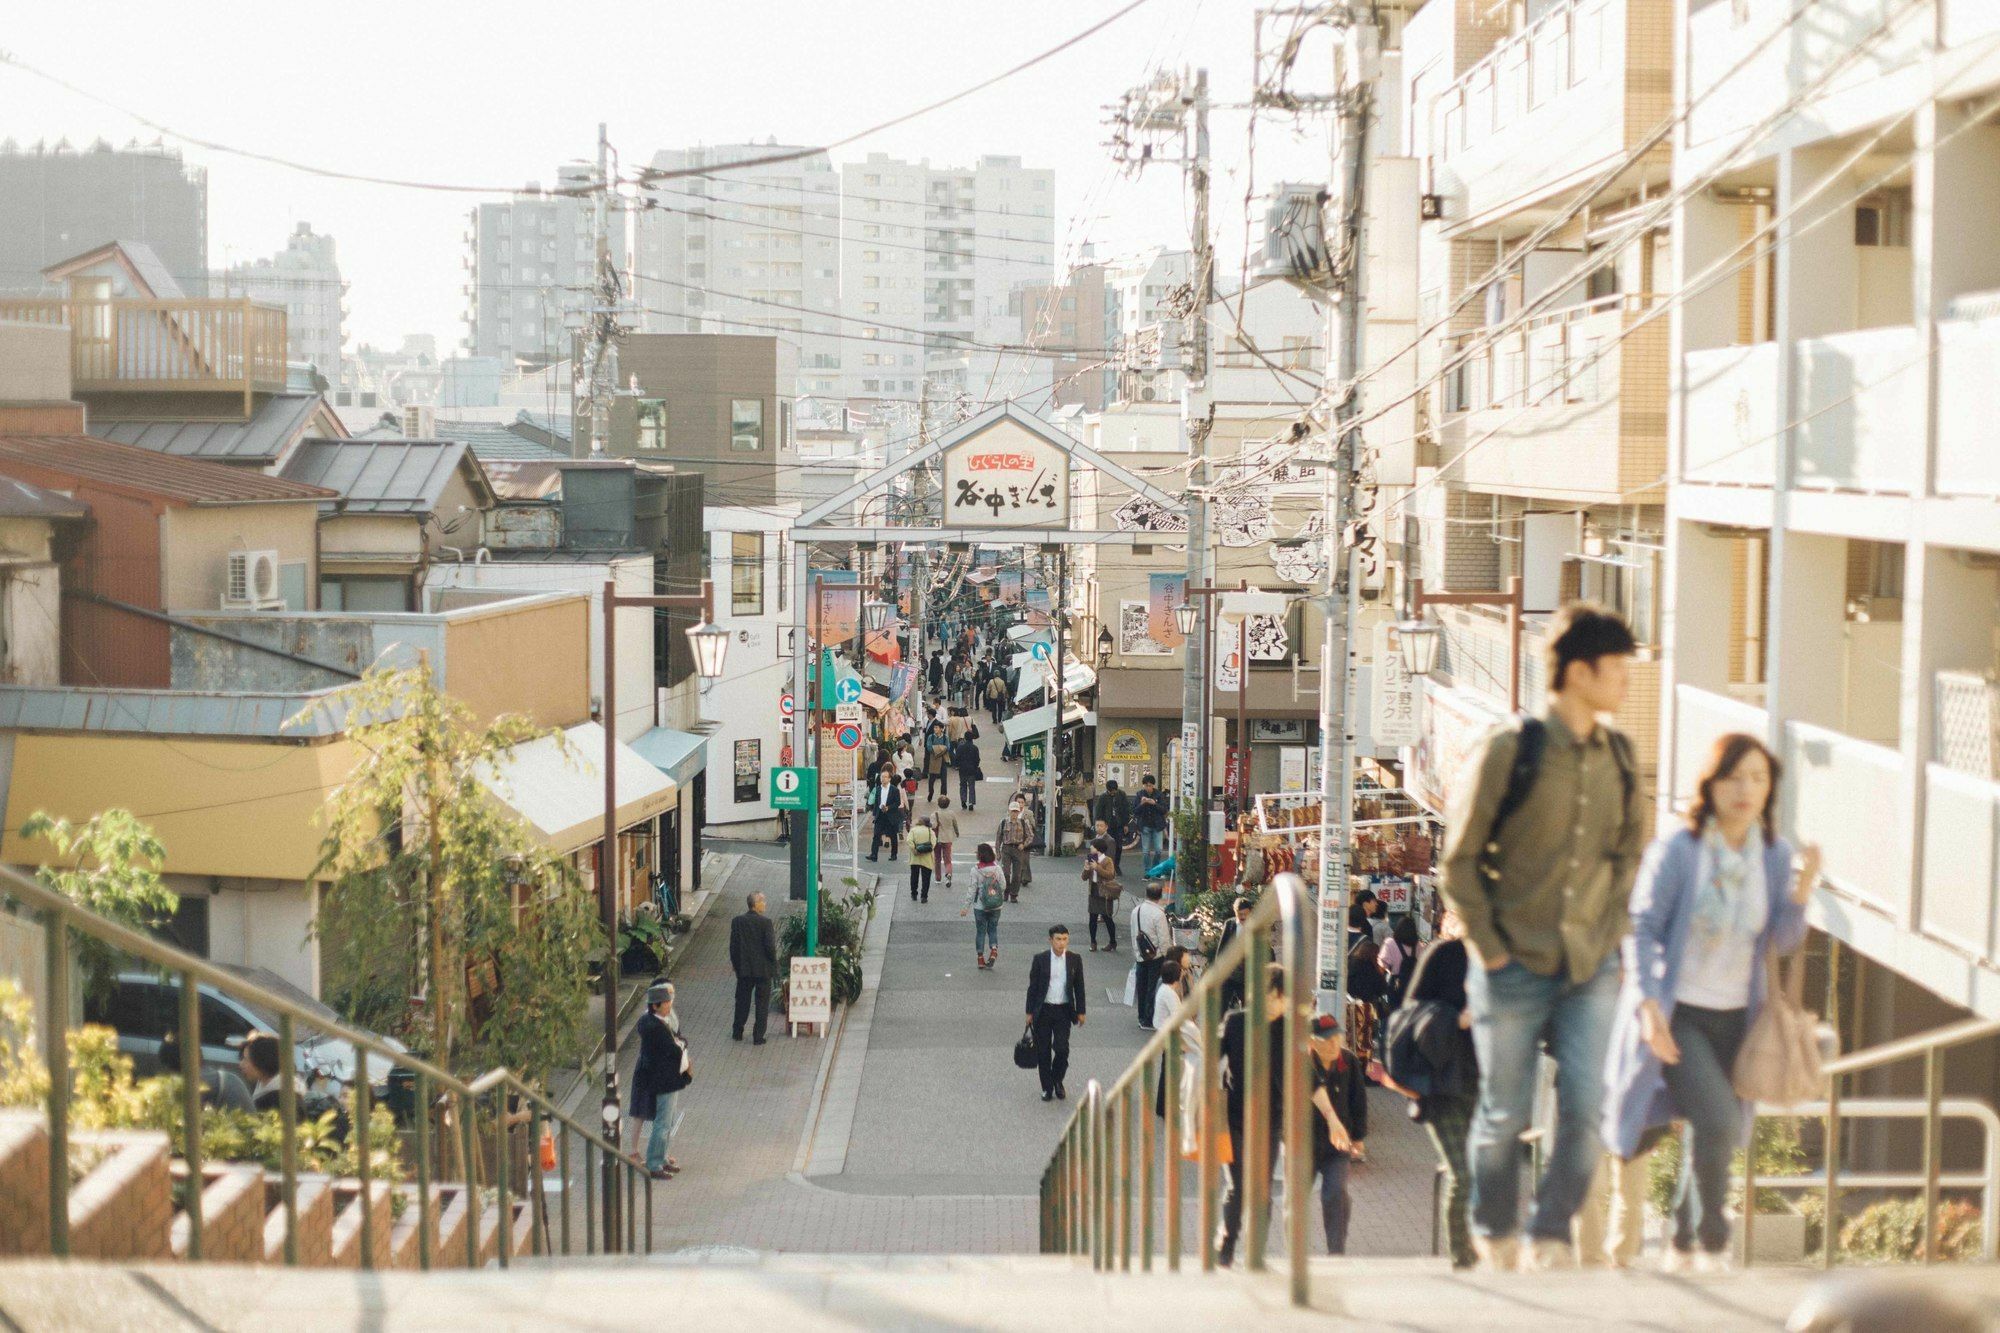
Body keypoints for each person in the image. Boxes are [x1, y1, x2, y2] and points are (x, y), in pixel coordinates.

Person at [1439, 602, 1647, 1271]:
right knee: (1503, 1110)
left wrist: (1609, 933)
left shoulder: (1619, 754)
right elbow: (1459, 859)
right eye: (1617, 669)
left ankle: (1551, 1231)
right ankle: (1495, 1228)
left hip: (1592, 964)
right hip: (1511, 962)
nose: (1625, 683)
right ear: (1580, 671)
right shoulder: (1511, 750)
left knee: (1589, 1105)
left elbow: (1626, 855)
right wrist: (1491, 948)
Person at [1603, 733, 1819, 1270]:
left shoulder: (1773, 855)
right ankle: (1714, 1238)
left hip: (1739, 1018)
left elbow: (1782, 942)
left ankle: (1680, 1238)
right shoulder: (1680, 852)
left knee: (1712, 1129)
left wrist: (1802, 891)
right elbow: (1644, 927)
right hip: (1681, 1016)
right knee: (1722, 1122)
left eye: (1759, 778)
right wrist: (1650, 1004)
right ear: (1711, 783)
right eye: (1735, 777)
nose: (1746, 789)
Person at [1377, 910, 1479, 1270]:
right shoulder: (1443, 955)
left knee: (1481, 1171)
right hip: (1442, 1083)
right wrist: (1457, 1018)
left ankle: (1476, 1247)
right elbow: (1409, 1016)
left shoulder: (1502, 960)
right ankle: (1462, 1257)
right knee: (1462, 1171)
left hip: (1488, 1083)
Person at [1216, 965, 1287, 1267]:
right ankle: (1228, 1243)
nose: (1280, 1004)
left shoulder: (1291, 1028)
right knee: (1240, 1186)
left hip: (1270, 1118)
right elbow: (1210, 1057)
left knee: (1263, 1189)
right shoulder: (1236, 1023)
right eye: (1276, 997)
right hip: (1233, 1116)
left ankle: (1255, 1252)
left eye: (1283, 999)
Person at [1307, 1013, 1370, 1255]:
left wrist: (1358, 1138)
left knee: (1334, 1193)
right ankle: (1296, 1254)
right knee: (1296, 1202)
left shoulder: (1349, 1062)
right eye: (1326, 1040)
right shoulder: (1301, 1064)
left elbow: (1358, 1101)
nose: (1334, 1044)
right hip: (1305, 1145)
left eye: (1337, 1038)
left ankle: (1336, 1252)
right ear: (1312, 1042)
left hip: (1338, 1146)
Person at [626, 982, 692, 1179]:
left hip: (666, 1079)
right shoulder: (655, 1027)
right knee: (663, 1123)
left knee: (667, 1121)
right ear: (655, 1005)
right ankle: (654, 1163)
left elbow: (677, 1043)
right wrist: (681, 1047)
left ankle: (662, 1158)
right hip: (664, 1080)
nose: (669, 1005)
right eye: (665, 1003)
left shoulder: (654, 1023)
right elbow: (673, 1048)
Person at [1025, 925, 1087, 1101]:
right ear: (1050, 940)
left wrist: (1081, 1011)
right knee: (1043, 1052)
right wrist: (1029, 1011)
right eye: (1058, 939)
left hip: (1063, 1011)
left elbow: (1079, 987)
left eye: (1065, 939)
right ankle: (1047, 1087)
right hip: (1043, 1010)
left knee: (1061, 1049)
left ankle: (1057, 1080)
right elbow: (1033, 987)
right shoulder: (1040, 959)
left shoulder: (1074, 959)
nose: (1062, 943)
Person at [728, 891, 780, 1045]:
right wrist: (774, 963)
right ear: (756, 904)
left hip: (744, 970)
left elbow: (733, 946)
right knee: (762, 1003)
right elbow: (770, 947)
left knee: (742, 1001)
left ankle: (738, 1031)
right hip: (763, 970)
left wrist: (737, 966)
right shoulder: (766, 923)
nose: (765, 904)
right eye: (763, 901)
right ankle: (758, 1036)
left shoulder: (737, 921)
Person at [1131, 882, 1170, 1030]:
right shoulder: (1159, 914)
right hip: (1156, 956)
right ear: (1160, 896)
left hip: (1141, 955)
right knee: (1152, 987)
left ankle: (1141, 1017)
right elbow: (1164, 939)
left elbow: (1134, 933)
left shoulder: (1136, 911)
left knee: (1141, 986)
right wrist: (1166, 955)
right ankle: (1149, 1018)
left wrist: (1136, 952)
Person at [962, 842, 1007, 969]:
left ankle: (980, 959)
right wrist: (994, 893)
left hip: (980, 906)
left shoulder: (975, 870)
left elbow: (971, 889)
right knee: (993, 928)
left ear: (980, 855)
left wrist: (966, 907)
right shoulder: (997, 869)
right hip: (995, 906)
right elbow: (1003, 885)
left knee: (980, 931)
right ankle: (993, 950)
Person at [1216, 895, 1255, 1012]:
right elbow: (1221, 948)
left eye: (1245, 914)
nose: (1242, 917)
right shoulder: (1230, 925)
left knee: (1247, 1008)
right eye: (1239, 914)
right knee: (1221, 1006)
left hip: (1246, 976)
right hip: (1229, 974)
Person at [1084, 836, 1121, 953]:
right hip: (1093, 890)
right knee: (1092, 918)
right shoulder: (1090, 859)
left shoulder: (1107, 860)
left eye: (1092, 847)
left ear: (1098, 849)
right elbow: (1084, 877)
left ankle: (1112, 942)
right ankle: (1093, 942)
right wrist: (1086, 869)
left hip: (1105, 892)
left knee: (1107, 918)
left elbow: (1111, 875)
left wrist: (1097, 867)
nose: (1090, 848)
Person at [1380, 915, 1422, 1011]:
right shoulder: (1419, 946)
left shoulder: (1390, 943)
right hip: (1414, 985)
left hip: (1396, 985)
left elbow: (1383, 964)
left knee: (1395, 1013)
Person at [999, 797, 1035, 902]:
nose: (1014, 813)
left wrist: (1024, 845)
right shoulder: (1003, 822)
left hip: (1018, 850)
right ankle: (1006, 892)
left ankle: (1014, 894)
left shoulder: (1024, 823)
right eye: (1012, 811)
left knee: (1017, 875)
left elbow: (1030, 836)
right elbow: (998, 838)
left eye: (1016, 811)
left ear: (1018, 811)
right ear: (1009, 811)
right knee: (1005, 873)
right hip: (1006, 849)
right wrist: (997, 852)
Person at [238, 1031, 284, 1112]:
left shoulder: (279, 1101)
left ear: (262, 1063)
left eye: (246, 1060)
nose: (241, 1065)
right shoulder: (264, 1084)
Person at [1093, 780, 1132, 874]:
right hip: (1107, 826)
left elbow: (1126, 809)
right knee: (1107, 847)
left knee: (1119, 847)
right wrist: (1099, 825)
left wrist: (1126, 824)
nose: (1113, 793)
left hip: (1119, 825)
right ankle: (1106, 866)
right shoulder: (1103, 797)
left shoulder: (1121, 795)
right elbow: (1099, 812)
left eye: (1115, 790)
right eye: (1111, 791)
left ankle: (1116, 866)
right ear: (1108, 790)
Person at [1133, 775, 1169, 874]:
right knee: (1145, 851)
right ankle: (1148, 871)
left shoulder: (1159, 795)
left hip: (1157, 826)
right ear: (1143, 785)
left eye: (1150, 785)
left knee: (1158, 850)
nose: (1148, 787)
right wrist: (1142, 803)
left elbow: (1164, 810)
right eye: (1146, 785)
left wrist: (1154, 803)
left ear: (1153, 785)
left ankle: (1155, 868)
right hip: (1145, 825)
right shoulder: (1139, 794)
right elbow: (1135, 811)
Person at [866, 768, 903, 862]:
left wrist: (888, 808)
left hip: (890, 816)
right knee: (876, 835)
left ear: (889, 779)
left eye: (885, 777)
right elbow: (876, 802)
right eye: (882, 777)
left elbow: (897, 802)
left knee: (893, 836)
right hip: (880, 815)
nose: (883, 779)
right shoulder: (878, 789)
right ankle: (874, 855)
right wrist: (874, 814)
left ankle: (894, 854)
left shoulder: (894, 790)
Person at [933, 795, 961, 892]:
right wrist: (957, 833)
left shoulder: (934, 814)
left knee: (937, 858)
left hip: (937, 839)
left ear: (938, 804)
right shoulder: (951, 814)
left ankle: (938, 878)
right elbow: (955, 824)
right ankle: (948, 874)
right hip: (948, 838)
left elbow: (933, 826)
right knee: (948, 859)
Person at [908, 813, 937, 904]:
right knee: (926, 878)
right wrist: (925, 850)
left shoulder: (913, 830)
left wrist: (914, 850)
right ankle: (924, 896)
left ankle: (914, 894)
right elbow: (933, 844)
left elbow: (909, 840)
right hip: (927, 858)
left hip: (915, 857)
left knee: (914, 876)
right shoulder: (930, 831)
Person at [953, 729, 983, 811]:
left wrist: (957, 766)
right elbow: (977, 759)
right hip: (972, 770)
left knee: (963, 785)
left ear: (965, 738)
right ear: (972, 738)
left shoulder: (960, 747)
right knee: (971, 786)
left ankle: (963, 801)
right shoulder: (974, 748)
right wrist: (975, 766)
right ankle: (971, 803)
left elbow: (956, 758)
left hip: (962, 769)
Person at [924, 726, 950, 802]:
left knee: (944, 780)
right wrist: (941, 749)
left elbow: (948, 748)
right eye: (934, 728)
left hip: (943, 761)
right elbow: (929, 748)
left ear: (941, 729)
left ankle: (943, 796)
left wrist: (935, 748)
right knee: (931, 779)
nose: (935, 729)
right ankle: (931, 792)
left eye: (937, 728)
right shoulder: (931, 737)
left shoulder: (945, 737)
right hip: (933, 760)